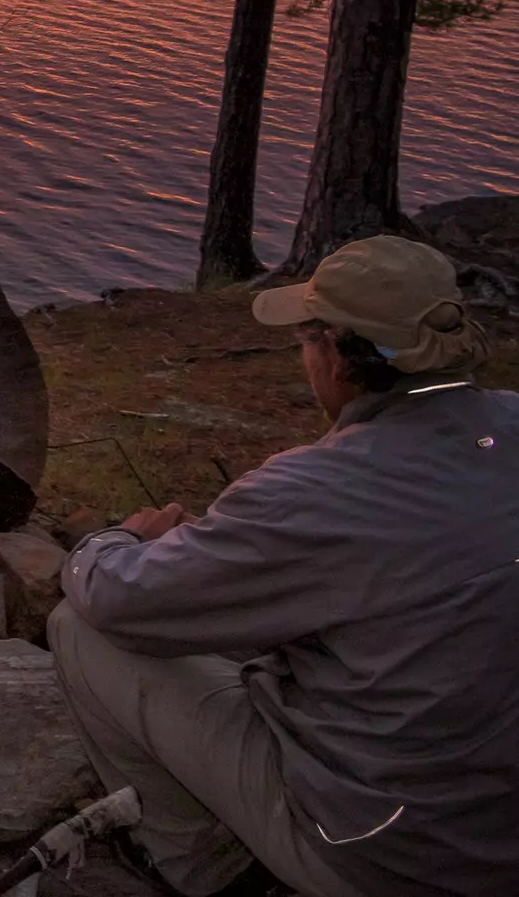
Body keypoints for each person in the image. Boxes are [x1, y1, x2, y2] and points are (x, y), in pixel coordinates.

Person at [48, 236, 519, 897]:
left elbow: (120, 599)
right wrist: (227, 556)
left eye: (305, 339)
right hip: (499, 828)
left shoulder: (317, 489)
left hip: (393, 854)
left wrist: (112, 540)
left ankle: (207, 871)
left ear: (336, 355)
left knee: (80, 627)